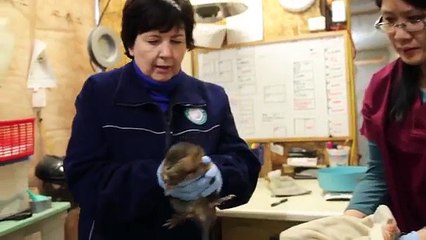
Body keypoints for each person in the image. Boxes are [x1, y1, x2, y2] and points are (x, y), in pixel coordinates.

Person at [63, 0, 261, 239]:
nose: (166, 53)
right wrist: (157, 179)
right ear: (131, 44)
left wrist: (220, 176)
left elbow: (243, 164)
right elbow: (84, 178)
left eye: (177, 41)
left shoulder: (211, 98)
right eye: (153, 40)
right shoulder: (100, 93)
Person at [344, 0, 426, 239]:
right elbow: (379, 175)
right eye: (390, 21)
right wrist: (348, 225)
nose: (399, 35)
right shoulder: (383, 88)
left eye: (415, 19)